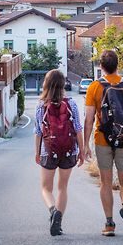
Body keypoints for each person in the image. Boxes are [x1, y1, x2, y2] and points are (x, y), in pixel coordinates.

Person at [83, 50, 123, 237]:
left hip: (102, 140)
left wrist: (85, 145)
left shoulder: (94, 87)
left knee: (105, 182)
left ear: (101, 67)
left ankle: (109, 224)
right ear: (118, 65)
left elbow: (88, 119)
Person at [34, 69, 85, 236]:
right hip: (69, 150)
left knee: (46, 188)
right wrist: (81, 150)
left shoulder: (41, 105)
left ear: (46, 84)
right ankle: (59, 221)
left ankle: (53, 210)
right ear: (63, 85)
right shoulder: (71, 104)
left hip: (48, 150)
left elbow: (38, 131)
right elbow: (78, 129)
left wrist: (37, 152)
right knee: (63, 187)